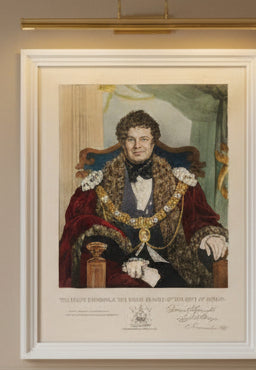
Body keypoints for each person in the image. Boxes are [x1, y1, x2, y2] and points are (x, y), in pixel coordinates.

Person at [59, 109, 229, 287]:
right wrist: (125, 261)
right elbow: (80, 223)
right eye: (131, 139)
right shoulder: (100, 185)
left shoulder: (179, 182)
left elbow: (198, 219)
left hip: (170, 264)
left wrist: (209, 236)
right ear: (123, 143)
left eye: (144, 139)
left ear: (153, 143)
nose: (137, 145)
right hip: (121, 264)